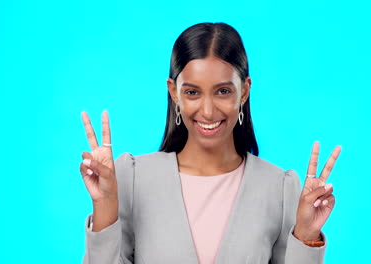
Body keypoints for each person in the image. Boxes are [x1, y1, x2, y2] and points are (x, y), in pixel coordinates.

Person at [80, 22, 341, 264]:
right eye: (192, 92)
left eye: (223, 91)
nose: (207, 111)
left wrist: (306, 234)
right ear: (174, 92)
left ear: (244, 92)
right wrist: (104, 205)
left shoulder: (280, 188)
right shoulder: (133, 177)